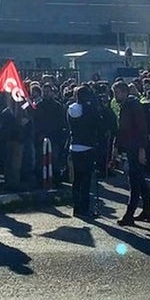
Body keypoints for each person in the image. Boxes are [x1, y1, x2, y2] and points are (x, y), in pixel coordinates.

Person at [112, 81, 150, 226]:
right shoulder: (125, 106)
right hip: (130, 147)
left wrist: (142, 149)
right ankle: (147, 210)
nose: (115, 96)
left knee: (134, 182)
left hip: (136, 147)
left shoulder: (133, 106)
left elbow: (142, 128)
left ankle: (129, 214)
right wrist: (116, 147)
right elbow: (121, 129)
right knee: (140, 181)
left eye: (117, 93)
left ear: (123, 92)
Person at [67, 86, 102, 218]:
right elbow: (96, 124)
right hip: (87, 146)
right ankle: (85, 208)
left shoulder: (71, 109)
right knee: (86, 180)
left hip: (74, 145)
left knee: (77, 179)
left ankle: (77, 207)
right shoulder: (89, 109)